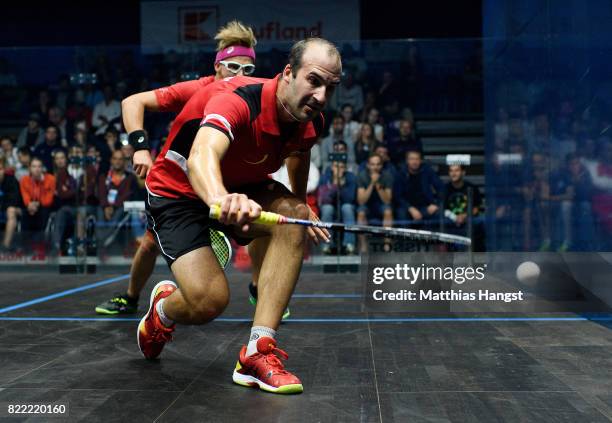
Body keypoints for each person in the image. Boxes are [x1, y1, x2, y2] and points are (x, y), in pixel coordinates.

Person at [137, 37, 340, 394]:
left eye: (331, 87)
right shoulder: (237, 100)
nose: (321, 96)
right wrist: (220, 199)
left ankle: (257, 353)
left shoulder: (311, 119)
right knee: (209, 301)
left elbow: (299, 152)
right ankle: (162, 312)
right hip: (178, 192)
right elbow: (202, 156)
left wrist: (297, 200)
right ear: (288, 73)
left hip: (243, 183)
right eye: (314, 81)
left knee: (295, 217)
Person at [95, 21, 259, 315]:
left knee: (261, 224)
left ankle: (258, 289)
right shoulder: (198, 88)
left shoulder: (253, 96)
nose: (240, 76)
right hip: (175, 191)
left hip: (216, 187)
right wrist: (141, 148)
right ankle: (131, 298)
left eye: (248, 70)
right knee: (149, 244)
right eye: (233, 67)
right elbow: (133, 102)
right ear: (218, 67)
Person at [0, 158, 22, 251]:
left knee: (11, 211)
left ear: (4, 169)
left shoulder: (11, 180)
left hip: (11, 209)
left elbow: (14, 200)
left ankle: (5, 245)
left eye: (0, 169)